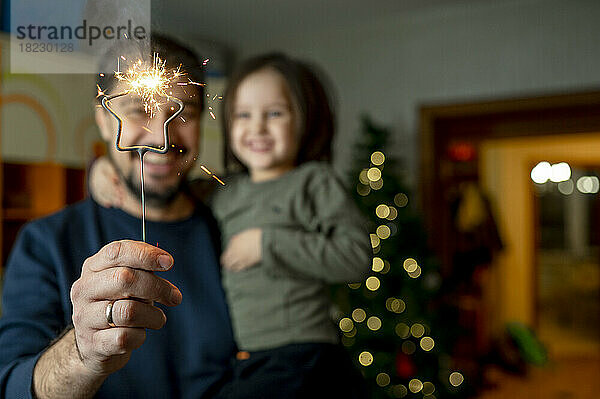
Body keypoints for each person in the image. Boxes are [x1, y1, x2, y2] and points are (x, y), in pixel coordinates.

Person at [90, 52, 372, 398]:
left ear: (304, 120)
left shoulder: (314, 182)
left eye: (275, 113)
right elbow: (163, 186)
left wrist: (267, 244)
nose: (257, 127)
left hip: (304, 352)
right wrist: (101, 170)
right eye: (243, 115)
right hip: (251, 358)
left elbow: (357, 256)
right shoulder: (224, 191)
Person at [0, 35, 236, 398]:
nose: (161, 136)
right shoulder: (46, 242)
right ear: (105, 121)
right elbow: (12, 385)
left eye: (184, 112)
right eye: (140, 109)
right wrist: (83, 355)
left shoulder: (232, 223)